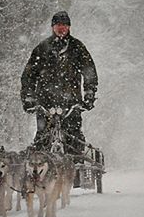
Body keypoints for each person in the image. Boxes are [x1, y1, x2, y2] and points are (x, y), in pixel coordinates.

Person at [21, 11, 98, 154]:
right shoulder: (42, 48)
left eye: (64, 25)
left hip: (71, 103)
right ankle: (40, 170)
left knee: (73, 139)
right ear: (52, 27)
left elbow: (89, 72)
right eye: (58, 25)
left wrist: (89, 93)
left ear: (69, 27)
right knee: (42, 139)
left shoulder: (77, 47)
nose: (61, 28)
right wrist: (28, 97)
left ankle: (75, 169)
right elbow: (29, 75)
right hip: (45, 102)